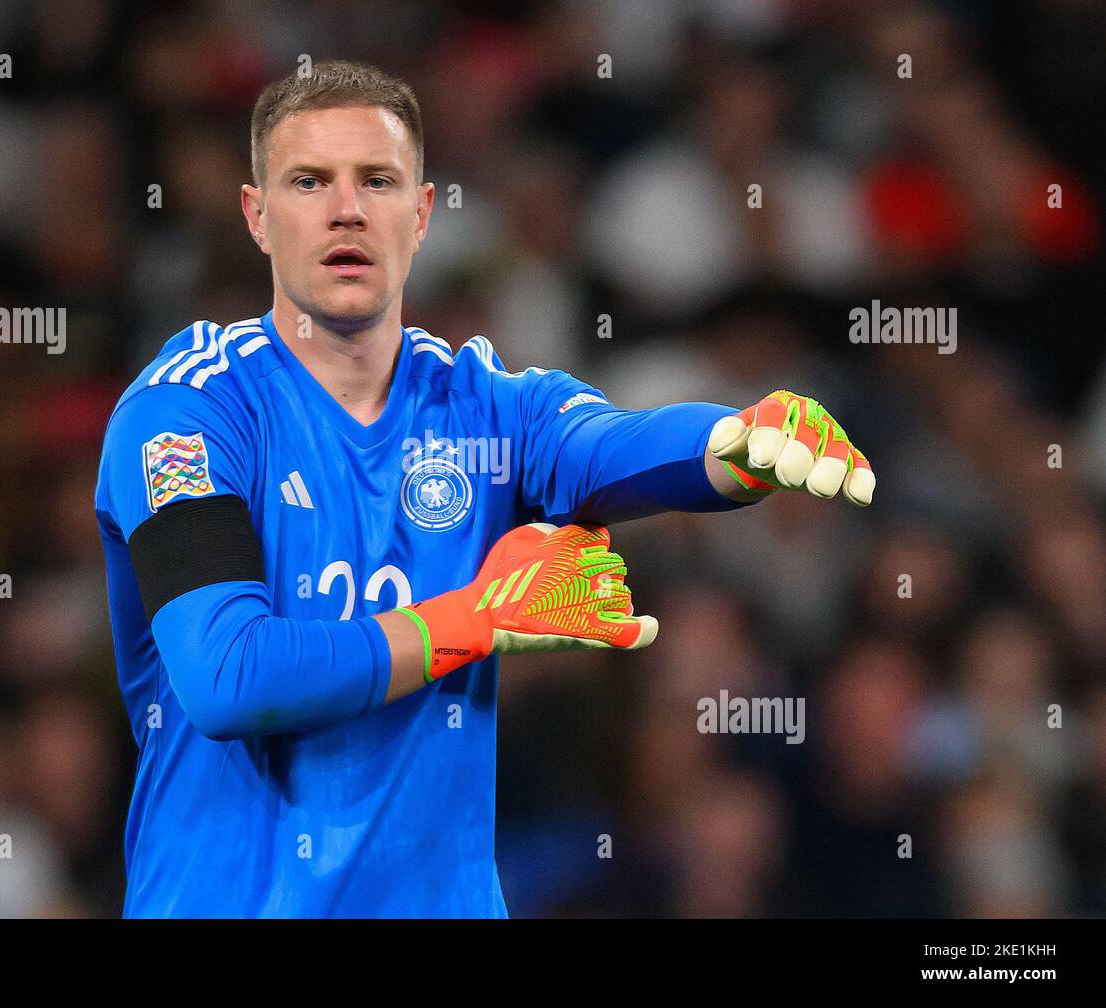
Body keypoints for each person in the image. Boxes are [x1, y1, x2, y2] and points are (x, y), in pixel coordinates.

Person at [94, 60, 875, 917]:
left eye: (378, 181)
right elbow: (229, 676)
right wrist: (480, 619)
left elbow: (607, 446)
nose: (346, 209)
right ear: (256, 216)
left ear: (422, 215)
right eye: (310, 181)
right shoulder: (187, 413)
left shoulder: (485, 403)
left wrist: (737, 443)